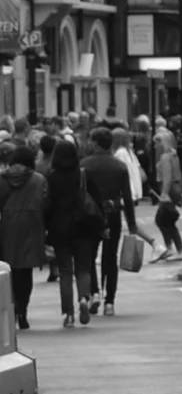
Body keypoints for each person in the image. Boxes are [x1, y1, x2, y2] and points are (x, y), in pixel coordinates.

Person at [46, 136, 102, 327]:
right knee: (83, 268)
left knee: (65, 271)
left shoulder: (51, 177)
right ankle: (84, 299)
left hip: (60, 228)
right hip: (83, 226)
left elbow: (47, 205)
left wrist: (46, 228)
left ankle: (68, 314)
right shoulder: (83, 174)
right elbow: (97, 200)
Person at [83, 125, 136, 316]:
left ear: (96, 143)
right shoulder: (119, 166)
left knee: (89, 256)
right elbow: (127, 197)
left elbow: (81, 194)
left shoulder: (85, 165)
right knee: (110, 257)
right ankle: (109, 302)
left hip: (90, 215)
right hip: (113, 214)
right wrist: (132, 224)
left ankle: (94, 292)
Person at [0, 142, 47, 330]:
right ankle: (23, 310)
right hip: (32, 226)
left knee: (9, 271)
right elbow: (45, 202)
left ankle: (11, 308)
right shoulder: (38, 179)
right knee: (26, 272)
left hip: (8, 226)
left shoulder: (3, 180)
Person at [151, 118, 182, 261]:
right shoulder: (174, 155)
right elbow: (179, 174)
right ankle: (177, 249)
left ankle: (171, 248)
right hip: (174, 189)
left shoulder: (164, 158)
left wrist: (164, 193)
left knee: (162, 220)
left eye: (156, 142)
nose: (154, 146)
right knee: (168, 221)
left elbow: (167, 177)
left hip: (168, 191)